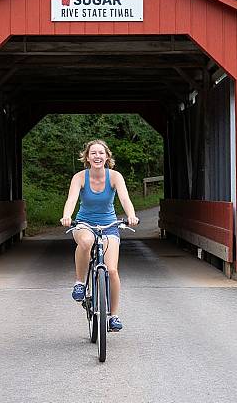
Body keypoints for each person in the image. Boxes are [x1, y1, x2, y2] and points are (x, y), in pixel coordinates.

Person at [60, 139, 139, 331]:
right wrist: (67, 216)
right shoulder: (79, 177)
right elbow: (71, 199)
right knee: (86, 242)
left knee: (111, 270)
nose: (97, 156)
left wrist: (131, 215)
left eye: (101, 153)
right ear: (87, 157)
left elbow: (124, 198)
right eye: (93, 153)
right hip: (84, 223)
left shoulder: (115, 177)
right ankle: (80, 283)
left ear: (107, 157)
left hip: (109, 225)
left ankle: (113, 315)